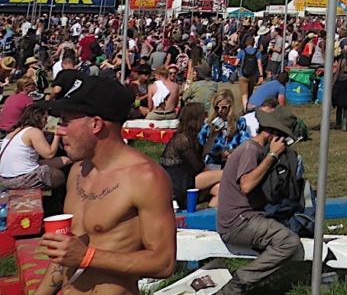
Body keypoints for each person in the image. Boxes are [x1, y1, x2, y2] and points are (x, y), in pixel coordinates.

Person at [35, 75, 177, 295]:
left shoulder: (145, 178)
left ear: (96, 124)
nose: (59, 130)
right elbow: (66, 255)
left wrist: (86, 256)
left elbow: (163, 262)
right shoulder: (78, 171)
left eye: (65, 122)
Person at [213, 106, 302, 295]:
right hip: (238, 222)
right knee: (289, 242)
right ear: (273, 134)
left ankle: (269, 281)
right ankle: (239, 283)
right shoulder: (250, 150)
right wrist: (273, 155)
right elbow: (246, 185)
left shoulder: (253, 149)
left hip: (246, 217)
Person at [160, 102, 223, 207]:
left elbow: (202, 154)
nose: (205, 119)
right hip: (179, 183)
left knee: (220, 189)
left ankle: (209, 218)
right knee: (225, 173)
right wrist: (213, 172)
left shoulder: (190, 137)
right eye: (203, 116)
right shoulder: (183, 140)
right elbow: (198, 167)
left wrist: (213, 136)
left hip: (188, 178)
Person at [0, 103, 69, 191]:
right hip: (24, 178)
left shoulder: (15, 132)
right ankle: (57, 200)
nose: (46, 122)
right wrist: (57, 134)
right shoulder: (34, 131)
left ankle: (68, 161)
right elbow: (49, 154)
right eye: (45, 118)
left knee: (63, 160)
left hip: (6, 179)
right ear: (38, 118)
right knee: (60, 176)